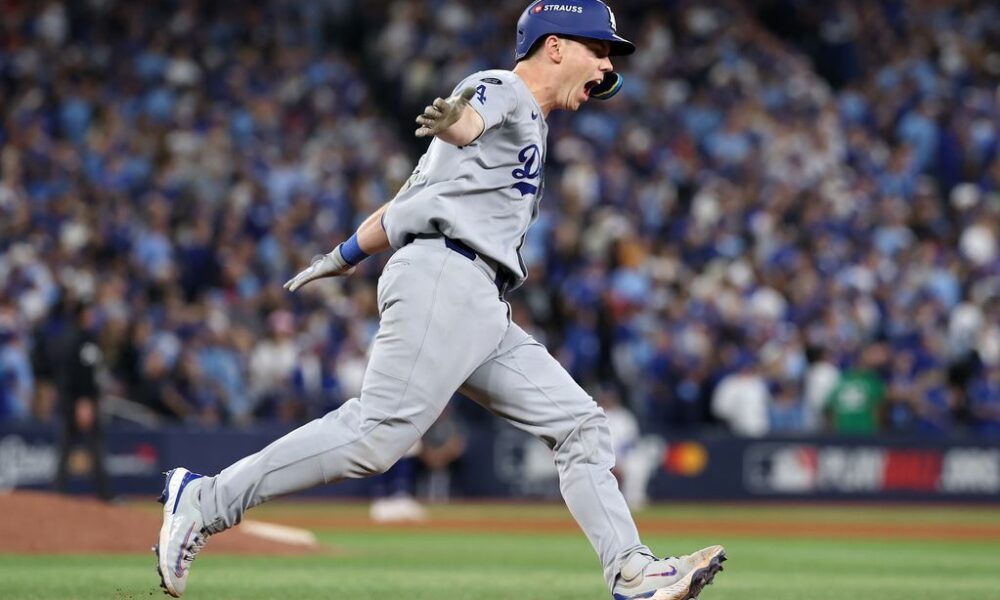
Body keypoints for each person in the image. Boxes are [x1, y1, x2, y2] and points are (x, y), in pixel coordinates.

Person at [154, 2, 726, 599]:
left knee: (579, 425)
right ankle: (204, 500)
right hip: (445, 278)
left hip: (477, 299)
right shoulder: (503, 87)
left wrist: (345, 254)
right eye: (599, 50)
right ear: (555, 46)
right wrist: (458, 120)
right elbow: (470, 117)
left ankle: (631, 571)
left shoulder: (522, 125)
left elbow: (405, 204)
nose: (607, 67)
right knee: (376, 438)